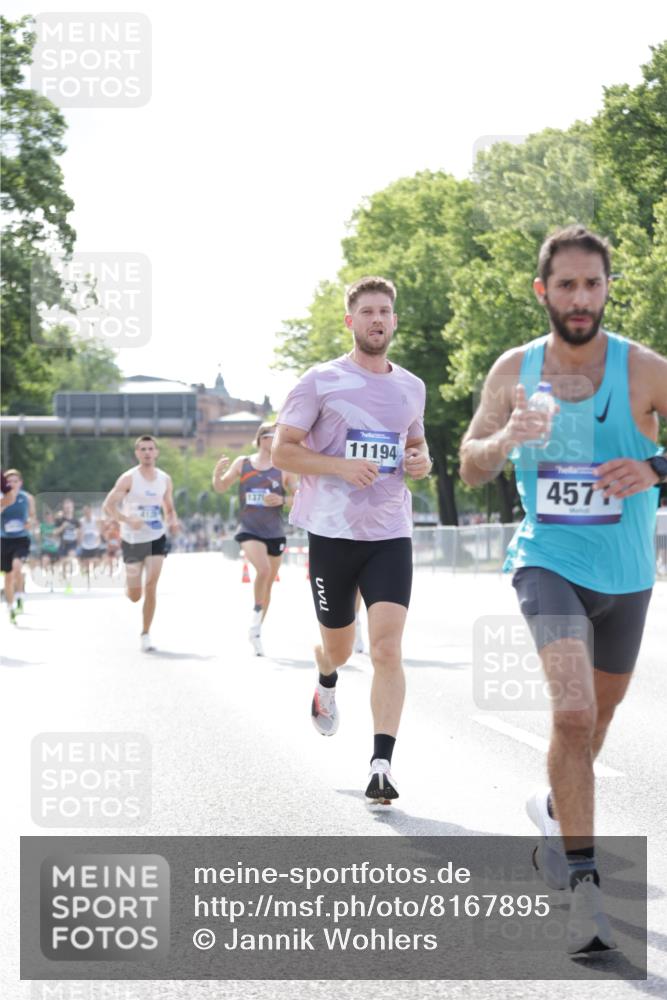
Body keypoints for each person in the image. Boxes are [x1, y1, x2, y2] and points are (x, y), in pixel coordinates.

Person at [459, 225, 667, 954]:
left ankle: (555, 808)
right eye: (567, 284)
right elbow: (470, 466)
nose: (580, 298)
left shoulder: (643, 370)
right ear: (541, 290)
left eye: (593, 284)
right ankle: (584, 892)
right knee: (572, 712)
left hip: (628, 575)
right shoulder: (513, 369)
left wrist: (657, 470)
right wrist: (506, 436)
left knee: (596, 718)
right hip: (546, 560)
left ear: (607, 289)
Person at [272, 275, 431, 804]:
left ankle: (381, 763)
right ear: (350, 321)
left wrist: (422, 460)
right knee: (340, 649)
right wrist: (340, 466)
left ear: (394, 320)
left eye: (385, 310)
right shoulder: (320, 381)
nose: (377, 319)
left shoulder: (411, 386)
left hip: (390, 532)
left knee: (386, 647)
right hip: (333, 534)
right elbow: (282, 452)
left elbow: (417, 445)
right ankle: (324, 673)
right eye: (366, 311)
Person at [212, 422, 298, 656]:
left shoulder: (284, 468)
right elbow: (221, 487)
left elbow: (301, 497)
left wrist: (281, 500)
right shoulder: (243, 463)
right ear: (261, 439)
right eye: (274, 436)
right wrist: (217, 473)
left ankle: (257, 628)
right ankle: (256, 614)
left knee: (268, 582)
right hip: (249, 529)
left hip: (275, 532)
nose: (278, 440)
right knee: (262, 570)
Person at [103, 435, 179, 651]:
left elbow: (169, 507)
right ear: (137, 453)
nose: (147, 452)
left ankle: (145, 633)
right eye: (142, 449)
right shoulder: (128, 479)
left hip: (156, 536)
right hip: (132, 539)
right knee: (135, 595)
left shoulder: (164, 479)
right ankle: (129, 585)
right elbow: (108, 505)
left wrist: (173, 521)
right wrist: (127, 520)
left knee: (151, 585)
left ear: (156, 452)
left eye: (150, 449)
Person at [0, 469, 36, 623]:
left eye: (16, 481)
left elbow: (33, 516)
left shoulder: (27, 498)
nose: (13, 484)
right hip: (4, 539)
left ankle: (20, 595)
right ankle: (10, 607)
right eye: (10, 482)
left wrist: (30, 523)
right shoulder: (3, 498)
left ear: (20, 483)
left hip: (21, 539)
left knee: (16, 567)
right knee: (8, 577)